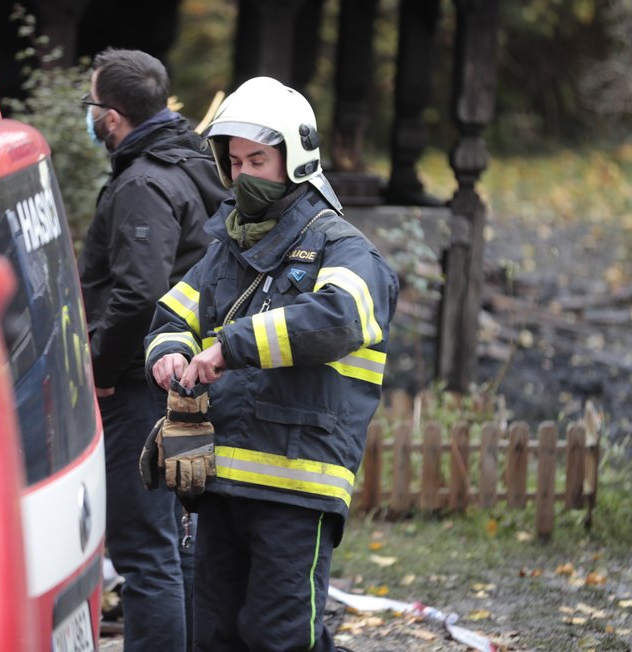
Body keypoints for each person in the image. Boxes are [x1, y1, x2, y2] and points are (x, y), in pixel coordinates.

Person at [144, 76, 399, 652]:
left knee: (278, 637)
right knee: (214, 635)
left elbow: (338, 319)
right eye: (234, 161)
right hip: (220, 478)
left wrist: (228, 346)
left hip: (295, 484)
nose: (242, 175)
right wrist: (170, 354)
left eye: (258, 159)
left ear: (297, 157)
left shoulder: (345, 249)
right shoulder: (225, 250)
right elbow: (170, 318)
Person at [78, 47, 227, 651]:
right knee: (175, 546)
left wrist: (101, 367)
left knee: (145, 553)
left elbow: (139, 292)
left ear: (111, 117)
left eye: (91, 105)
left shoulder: (143, 181)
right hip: (181, 379)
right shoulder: (191, 161)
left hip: (143, 389)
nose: (89, 117)